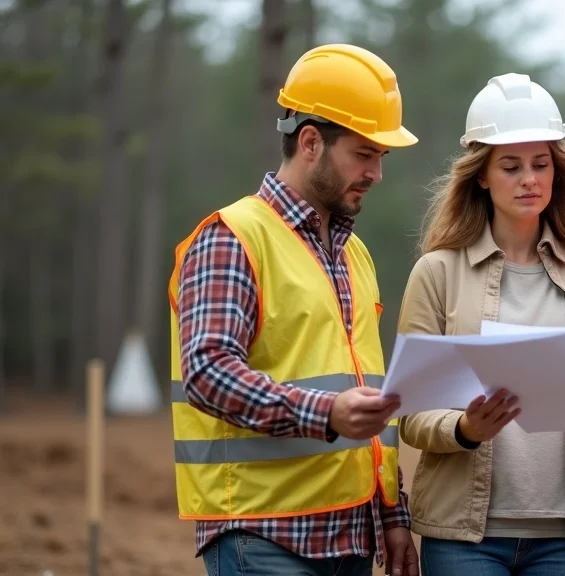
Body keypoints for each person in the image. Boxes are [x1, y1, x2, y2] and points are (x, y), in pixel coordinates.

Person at [167, 44, 420, 576]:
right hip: (262, 537)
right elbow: (207, 372)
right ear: (310, 143)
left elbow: (367, 392)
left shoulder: (355, 254)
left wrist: (393, 513)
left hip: (350, 537)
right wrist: (324, 413)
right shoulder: (232, 237)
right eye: (364, 154)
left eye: (381, 156)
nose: (376, 173)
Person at [395, 72, 565, 576]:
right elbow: (411, 416)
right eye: (511, 166)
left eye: (541, 164)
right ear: (481, 174)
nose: (529, 179)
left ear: (557, 171)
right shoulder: (436, 273)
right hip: (464, 541)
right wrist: (464, 429)